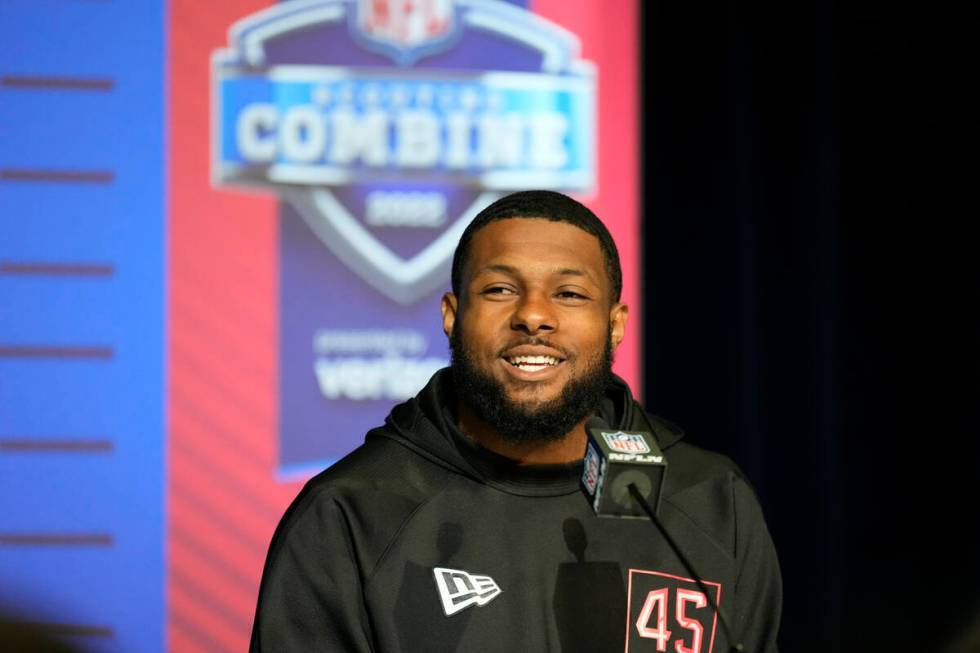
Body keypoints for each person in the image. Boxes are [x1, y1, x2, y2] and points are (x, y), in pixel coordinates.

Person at [250, 190, 782, 652]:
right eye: (500, 290)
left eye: (569, 294)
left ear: (615, 325)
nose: (533, 315)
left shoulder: (709, 500)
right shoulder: (351, 514)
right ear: (452, 316)